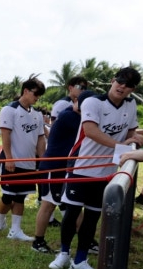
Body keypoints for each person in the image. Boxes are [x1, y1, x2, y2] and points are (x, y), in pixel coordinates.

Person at [49, 67, 143, 269]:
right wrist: (121, 146)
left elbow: (129, 131)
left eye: (129, 85)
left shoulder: (130, 105)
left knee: (93, 217)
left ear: (133, 89)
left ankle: (80, 260)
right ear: (113, 80)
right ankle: (63, 253)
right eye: (121, 80)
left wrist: (134, 137)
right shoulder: (93, 102)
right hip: (81, 167)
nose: (123, 86)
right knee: (71, 213)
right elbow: (91, 131)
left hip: (106, 171)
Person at [32, 90, 97, 253]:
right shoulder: (70, 117)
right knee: (48, 204)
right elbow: (96, 131)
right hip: (54, 166)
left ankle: (87, 241)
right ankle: (38, 242)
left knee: (71, 204)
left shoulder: (75, 115)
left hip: (64, 167)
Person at [0, 76, 47, 241]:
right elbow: (5, 134)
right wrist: (9, 158)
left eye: (40, 95)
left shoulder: (37, 114)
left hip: (29, 162)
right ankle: (0, 222)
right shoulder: (9, 110)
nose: (37, 98)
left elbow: (41, 138)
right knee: (7, 196)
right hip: (11, 160)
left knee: (21, 196)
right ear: (25, 91)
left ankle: (16, 230)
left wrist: (43, 159)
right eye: (35, 94)